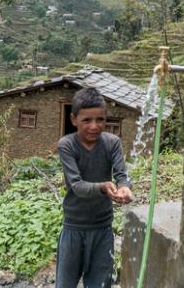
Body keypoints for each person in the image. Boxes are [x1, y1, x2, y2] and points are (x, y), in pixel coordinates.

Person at [55, 87, 133, 288]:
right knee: (65, 284)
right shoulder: (67, 145)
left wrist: (124, 187)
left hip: (102, 228)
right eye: (86, 120)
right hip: (74, 228)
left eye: (100, 120)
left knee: (100, 284)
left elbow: (121, 176)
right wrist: (104, 186)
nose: (94, 126)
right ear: (74, 120)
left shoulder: (112, 143)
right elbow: (77, 186)